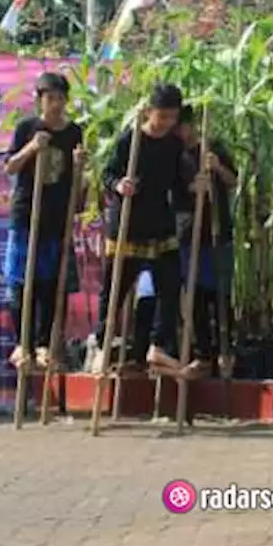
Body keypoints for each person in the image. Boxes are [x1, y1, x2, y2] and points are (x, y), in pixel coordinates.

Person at [90, 83, 206, 376]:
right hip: (129, 224)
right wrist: (119, 185)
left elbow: (179, 188)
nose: (166, 123)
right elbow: (108, 174)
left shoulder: (174, 144)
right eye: (161, 117)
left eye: (171, 118)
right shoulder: (130, 140)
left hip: (161, 223)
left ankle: (160, 346)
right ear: (149, 112)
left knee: (169, 288)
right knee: (116, 290)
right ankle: (102, 345)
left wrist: (195, 187)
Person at [3, 72, 83, 370]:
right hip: (27, 215)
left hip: (57, 217)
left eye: (61, 99)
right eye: (50, 99)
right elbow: (10, 167)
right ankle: (22, 343)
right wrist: (33, 148)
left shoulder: (74, 131)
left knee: (51, 283)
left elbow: (76, 178)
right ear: (39, 100)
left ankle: (43, 343)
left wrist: (80, 167)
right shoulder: (28, 128)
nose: (56, 105)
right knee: (22, 282)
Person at [174, 105, 238, 377]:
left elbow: (233, 181)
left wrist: (217, 168)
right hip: (190, 235)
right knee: (196, 295)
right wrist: (191, 189)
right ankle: (203, 354)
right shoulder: (174, 155)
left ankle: (226, 351)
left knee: (221, 295)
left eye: (182, 126)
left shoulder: (213, 148)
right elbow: (172, 194)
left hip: (218, 232)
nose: (180, 132)